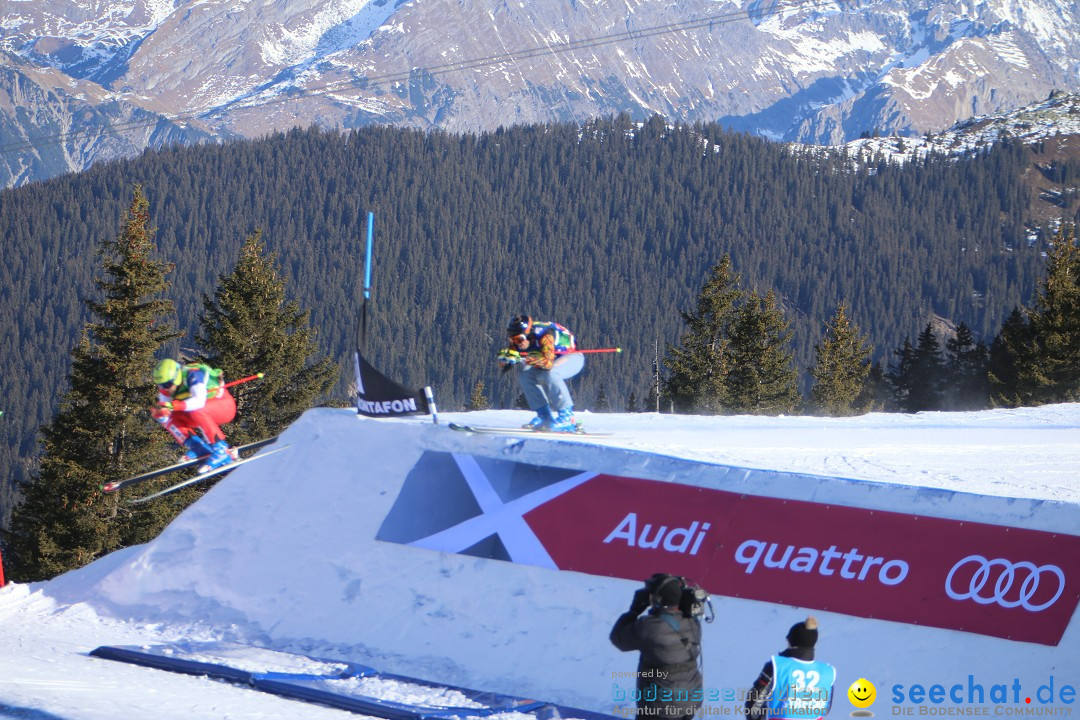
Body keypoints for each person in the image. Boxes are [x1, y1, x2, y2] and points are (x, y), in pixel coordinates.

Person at [610, 574, 704, 720]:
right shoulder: (692, 622)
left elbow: (618, 638)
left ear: (656, 599)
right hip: (689, 700)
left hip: (661, 708)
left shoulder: (651, 627)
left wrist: (634, 610)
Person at [151, 358, 238, 472]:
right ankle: (198, 447)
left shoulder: (193, 375)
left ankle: (221, 449)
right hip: (202, 414)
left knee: (196, 410)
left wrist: (173, 406)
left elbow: (198, 402)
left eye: (167, 384)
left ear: (176, 376)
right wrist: (162, 416)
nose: (165, 388)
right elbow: (166, 409)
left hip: (224, 407)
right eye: (161, 385)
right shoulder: (166, 389)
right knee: (171, 417)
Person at [743, 617, 836, 720]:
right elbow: (825, 708)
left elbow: (754, 706)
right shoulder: (828, 672)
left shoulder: (777, 666)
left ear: (790, 640)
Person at [497, 315, 579, 432]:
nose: (516, 343)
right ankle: (544, 417)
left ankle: (567, 418)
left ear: (528, 333)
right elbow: (514, 355)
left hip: (571, 357)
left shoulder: (545, 335)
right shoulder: (519, 339)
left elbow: (547, 362)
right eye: (512, 339)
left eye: (519, 339)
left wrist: (522, 359)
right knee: (525, 374)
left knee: (552, 373)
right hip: (551, 359)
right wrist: (505, 359)